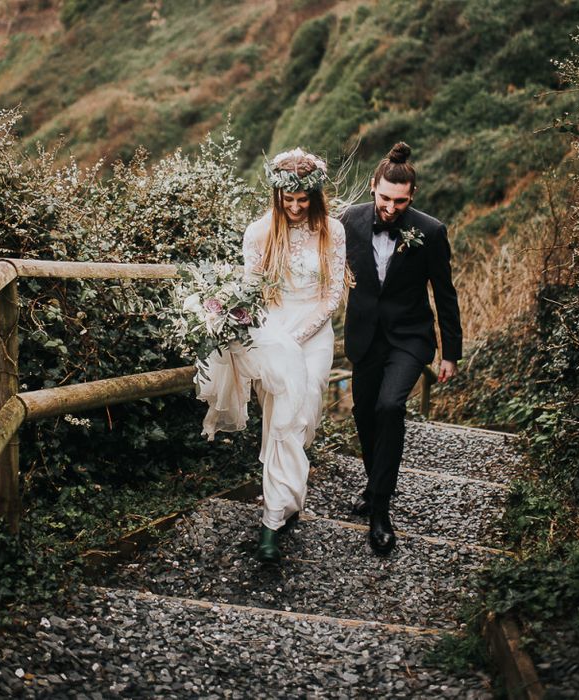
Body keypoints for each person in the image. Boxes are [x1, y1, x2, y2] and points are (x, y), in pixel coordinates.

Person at [196, 147, 346, 564]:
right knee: (281, 419)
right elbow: (251, 295)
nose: (296, 208)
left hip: (313, 337)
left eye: (303, 200)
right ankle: (273, 518)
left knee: (306, 413)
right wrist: (270, 335)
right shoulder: (258, 233)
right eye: (289, 200)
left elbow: (332, 294)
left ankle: (288, 498)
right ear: (276, 195)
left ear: (315, 196)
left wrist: (298, 337)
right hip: (272, 334)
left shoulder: (333, 230)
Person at [341, 142, 462, 556]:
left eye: (400, 201)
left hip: (411, 336)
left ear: (412, 196)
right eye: (384, 198)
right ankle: (374, 483)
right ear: (373, 187)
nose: (391, 208)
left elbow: (445, 294)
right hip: (364, 336)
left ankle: (380, 509)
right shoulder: (349, 221)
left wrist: (450, 353)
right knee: (363, 413)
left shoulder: (430, 231)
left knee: (390, 407)